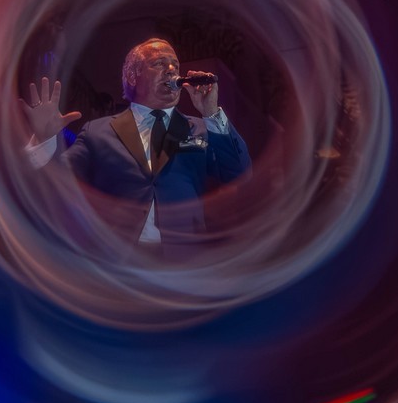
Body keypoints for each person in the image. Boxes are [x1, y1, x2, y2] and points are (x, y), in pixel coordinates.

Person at [23, 38, 251, 248]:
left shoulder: (200, 128)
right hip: (119, 260)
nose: (171, 69)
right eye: (159, 63)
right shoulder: (98, 132)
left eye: (175, 65)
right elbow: (58, 185)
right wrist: (43, 139)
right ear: (133, 76)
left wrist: (211, 113)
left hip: (184, 258)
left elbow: (238, 172)